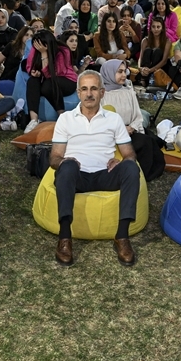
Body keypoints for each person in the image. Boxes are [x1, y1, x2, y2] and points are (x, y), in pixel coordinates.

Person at [49, 71, 141, 267]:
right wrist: (65, 161)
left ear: (102, 92)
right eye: (84, 89)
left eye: (93, 89)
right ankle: (65, 238)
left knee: (132, 169)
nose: (88, 94)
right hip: (76, 176)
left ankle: (122, 237)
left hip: (104, 174)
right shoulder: (65, 119)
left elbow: (130, 154)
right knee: (67, 167)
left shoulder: (114, 119)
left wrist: (123, 161)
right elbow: (54, 158)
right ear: (78, 93)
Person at [22, 30, 77, 132]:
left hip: (67, 80)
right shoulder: (37, 47)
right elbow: (29, 65)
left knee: (49, 84)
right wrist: (33, 72)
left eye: (40, 46)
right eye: (36, 45)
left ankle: (62, 116)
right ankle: (33, 120)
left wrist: (44, 54)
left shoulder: (63, 51)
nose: (37, 48)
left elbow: (52, 74)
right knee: (32, 81)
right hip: (47, 79)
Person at [98, 60, 146, 132]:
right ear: (109, 73)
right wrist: (120, 131)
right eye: (120, 72)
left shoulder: (128, 92)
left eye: (125, 71)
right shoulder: (100, 95)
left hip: (131, 132)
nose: (124, 75)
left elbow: (138, 118)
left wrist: (132, 128)